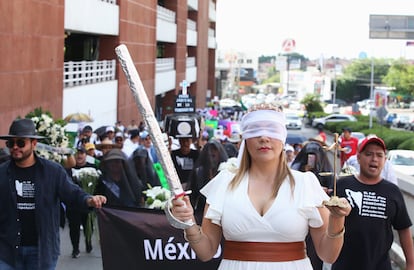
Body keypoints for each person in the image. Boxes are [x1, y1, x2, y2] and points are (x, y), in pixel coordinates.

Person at [169, 103, 351, 269]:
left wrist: (337, 220)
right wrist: (189, 222)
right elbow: (206, 252)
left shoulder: (305, 184)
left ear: (283, 137)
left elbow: (328, 254)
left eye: (272, 129)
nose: (264, 137)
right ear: (244, 138)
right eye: (255, 130)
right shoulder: (224, 183)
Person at [0, 119, 106, 270]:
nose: (15, 147)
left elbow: (72, 193)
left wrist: (89, 200)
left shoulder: (52, 171)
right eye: (11, 143)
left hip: (42, 251)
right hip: (6, 251)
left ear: (34, 144)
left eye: (21, 143)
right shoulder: (2, 173)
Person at [331, 135, 414, 269]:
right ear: (358, 157)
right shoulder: (342, 185)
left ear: (385, 160)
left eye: (379, 155)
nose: (374, 159)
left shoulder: (393, 191)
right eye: (368, 154)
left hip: (380, 265)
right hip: (344, 265)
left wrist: (411, 265)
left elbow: (403, 229)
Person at [65, 145, 98, 258]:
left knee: (88, 224)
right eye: (77, 153)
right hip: (73, 204)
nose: (79, 156)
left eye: (82, 153)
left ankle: (88, 242)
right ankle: (75, 248)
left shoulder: (92, 168)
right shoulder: (69, 170)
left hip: (87, 203)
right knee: (74, 227)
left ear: (86, 155)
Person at [188, 140, 228, 218]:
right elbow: (193, 195)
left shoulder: (225, 171)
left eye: (214, 154)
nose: (211, 156)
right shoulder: (199, 172)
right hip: (201, 212)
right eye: (209, 154)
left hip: (220, 212)